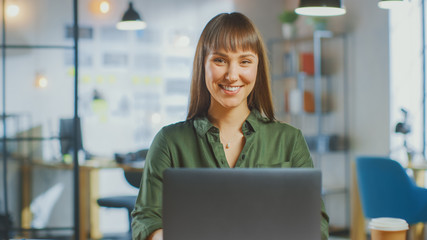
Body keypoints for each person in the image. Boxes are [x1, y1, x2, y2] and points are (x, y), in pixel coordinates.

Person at [131, 12, 329, 240]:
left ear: (258, 68)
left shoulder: (290, 140)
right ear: (202, 65)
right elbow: (146, 219)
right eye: (220, 60)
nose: (232, 75)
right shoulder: (169, 141)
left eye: (245, 61)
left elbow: (316, 223)